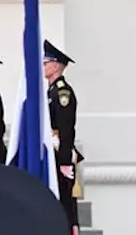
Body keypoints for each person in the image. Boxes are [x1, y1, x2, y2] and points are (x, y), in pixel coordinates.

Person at [44, 40, 83, 235]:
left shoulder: (62, 93)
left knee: (66, 203)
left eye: (47, 62)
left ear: (57, 65)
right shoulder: (51, 91)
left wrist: (66, 160)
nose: (43, 66)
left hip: (62, 153)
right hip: (54, 152)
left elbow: (66, 129)